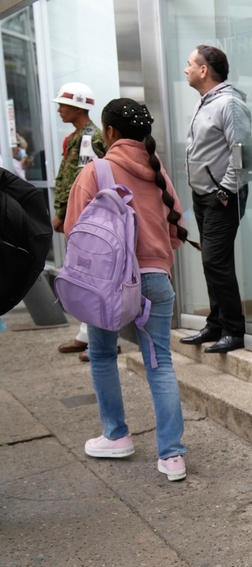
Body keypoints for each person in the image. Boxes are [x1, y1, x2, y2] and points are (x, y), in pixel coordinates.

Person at [64, 98, 189, 482]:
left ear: (110, 132)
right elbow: (177, 233)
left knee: (102, 355)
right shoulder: (157, 171)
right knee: (160, 364)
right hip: (155, 281)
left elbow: (74, 232)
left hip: (108, 284)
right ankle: (172, 457)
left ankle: (116, 435)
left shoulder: (96, 170)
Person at [180, 44, 251, 354]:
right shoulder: (206, 102)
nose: (186, 69)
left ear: (204, 70)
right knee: (212, 263)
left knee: (214, 261)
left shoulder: (229, 104)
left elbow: (241, 153)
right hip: (204, 195)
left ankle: (234, 331)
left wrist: (225, 191)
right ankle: (215, 324)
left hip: (221, 196)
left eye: (190, 64)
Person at [51, 82, 107, 360]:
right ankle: (87, 335)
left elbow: (91, 180)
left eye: (63, 104)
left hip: (87, 219)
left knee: (93, 276)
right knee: (82, 275)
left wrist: (68, 213)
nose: (59, 110)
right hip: (77, 217)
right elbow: (67, 179)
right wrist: (63, 210)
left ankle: (104, 339)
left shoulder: (93, 138)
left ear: (78, 106)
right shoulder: (75, 138)